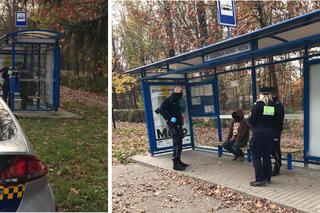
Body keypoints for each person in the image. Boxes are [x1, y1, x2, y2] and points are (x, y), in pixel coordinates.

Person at [248, 87, 275, 187]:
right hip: (269, 132)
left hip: (259, 132)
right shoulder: (271, 105)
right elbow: (273, 120)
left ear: (261, 95)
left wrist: (250, 116)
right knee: (266, 156)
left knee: (256, 156)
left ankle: (259, 180)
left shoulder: (258, 105)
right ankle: (267, 178)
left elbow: (251, 120)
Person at [157, 86, 187, 171]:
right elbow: (161, 109)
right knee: (176, 143)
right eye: (180, 91)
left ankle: (179, 161)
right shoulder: (169, 99)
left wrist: (180, 117)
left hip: (178, 124)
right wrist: (170, 119)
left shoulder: (176, 100)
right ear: (176, 91)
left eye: (182, 91)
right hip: (173, 125)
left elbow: (176, 111)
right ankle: (175, 163)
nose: (181, 93)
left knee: (179, 143)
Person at [271, 89, 285, 176]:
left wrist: (276, 132)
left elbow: (278, 119)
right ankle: (277, 163)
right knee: (271, 148)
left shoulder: (277, 105)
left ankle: (277, 165)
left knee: (275, 148)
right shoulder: (270, 104)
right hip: (270, 130)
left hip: (275, 130)